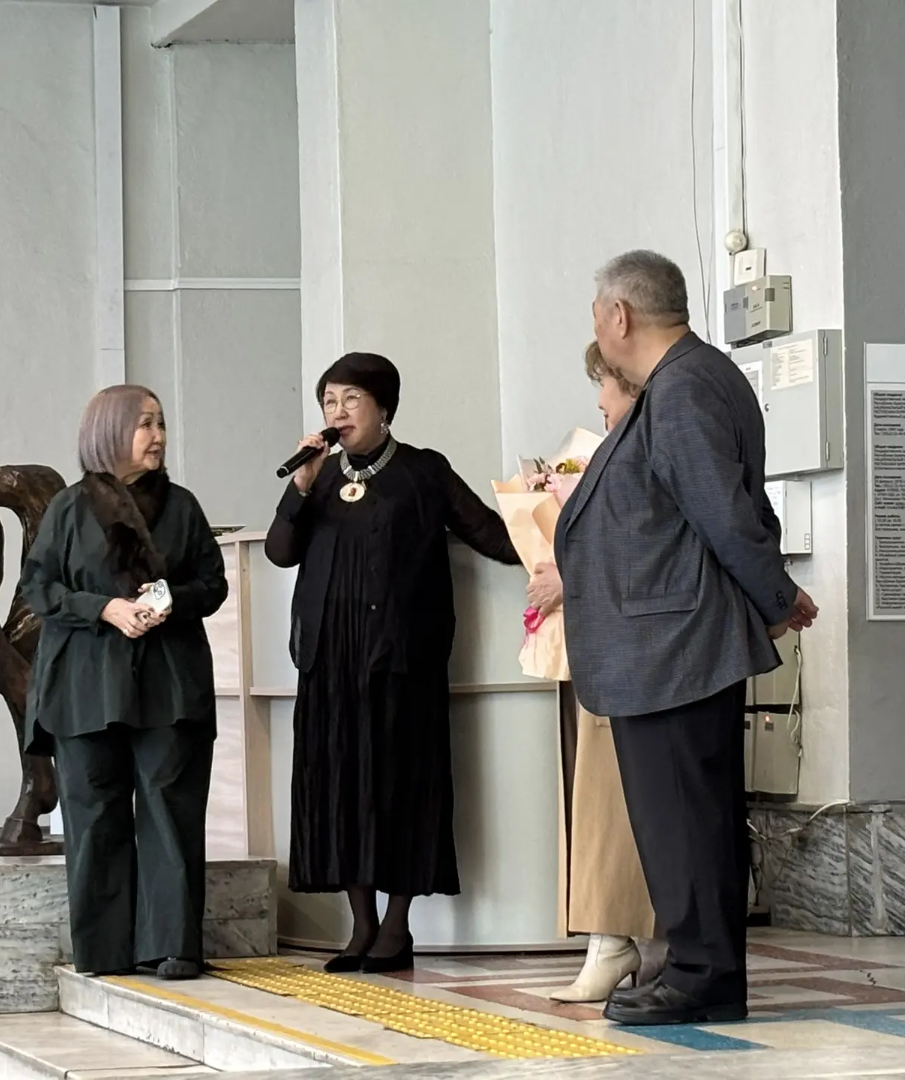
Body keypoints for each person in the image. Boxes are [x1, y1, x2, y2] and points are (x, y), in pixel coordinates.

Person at [556, 251, 816, 1026]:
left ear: (619, 316)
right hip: (668, 643)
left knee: (685, 818)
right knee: (686, 817)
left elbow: (723, 512)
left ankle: (702, 974)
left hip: (674, 646)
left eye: (595, 313)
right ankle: (699, 967)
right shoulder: (689, 380)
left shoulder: (683, 388)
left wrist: (775, 597)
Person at [265, 352, 520, 973]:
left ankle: (397, 927)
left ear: (384, 408)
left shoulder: (423, 471)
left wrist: (556, 530)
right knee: (341, 787)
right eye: (329, 401)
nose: (337, 411)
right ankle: (361, 925)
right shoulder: (320, 476)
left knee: (402, 786)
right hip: (331, 662)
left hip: (403, 659)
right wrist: (299, 488)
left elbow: (490, 534)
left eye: (351, 399)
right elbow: (280, 552)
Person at [21, 385, 228, 981]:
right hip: (84, 684)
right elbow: (38, 587)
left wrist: (169, 599)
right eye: (145, 424)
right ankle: (105, 950)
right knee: (93, 812)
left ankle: (173, 946)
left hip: (169, 682)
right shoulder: (67, 507)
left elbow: (212, 583)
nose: (158, 436)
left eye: (161, 423)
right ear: (109, 431)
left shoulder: (182, 507)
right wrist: (104, 608)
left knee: (170, 808)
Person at [528, 342, 657, 1004]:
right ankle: (617, 939)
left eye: (605, 386)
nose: (600, 403)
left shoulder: (646, 450)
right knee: (601, 802)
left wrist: (567, 578)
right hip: (607, 648)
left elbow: (643, 550)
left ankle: (622, 940)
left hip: (638, 653)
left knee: (616, 807)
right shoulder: (617, 451)